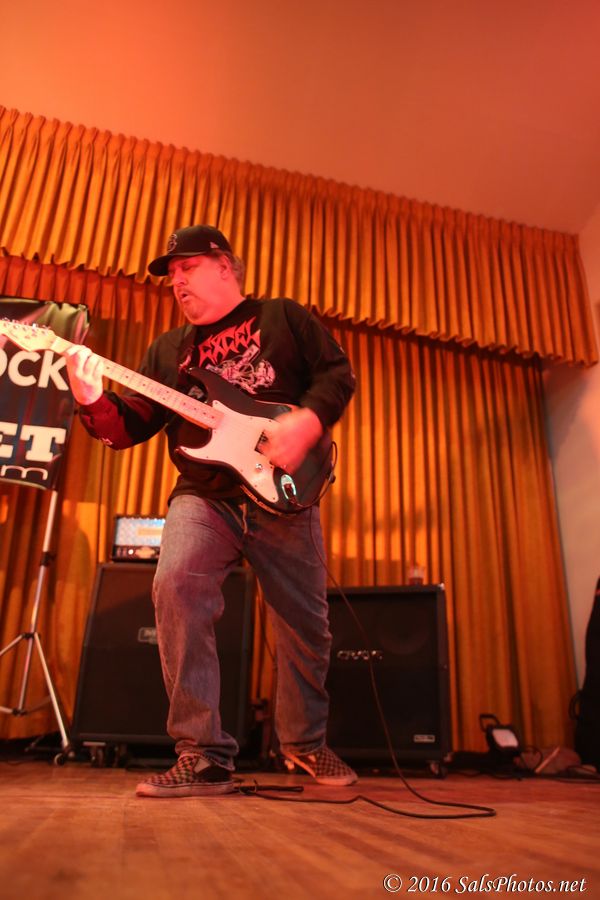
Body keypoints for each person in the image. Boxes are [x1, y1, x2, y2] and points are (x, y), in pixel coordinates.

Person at [65, 225, 357, 798]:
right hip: (203, 494)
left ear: (224, 266)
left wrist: (307, 421)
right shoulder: (168, 351)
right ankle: (202, 754)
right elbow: (130, 428)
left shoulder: (281, 316)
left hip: (284, 491)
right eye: (171, 274)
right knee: (174, 585)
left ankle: (305, 743)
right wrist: (91, 399)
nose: (176, 280)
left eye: (187, 267)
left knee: (305, 624)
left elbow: (336, 374)